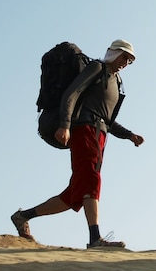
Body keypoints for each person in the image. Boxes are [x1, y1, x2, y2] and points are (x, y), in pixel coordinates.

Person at [11, 39, 144, 249]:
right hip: (84, 130)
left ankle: (22, 216)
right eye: (123, 56)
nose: (125, 62)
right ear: (113, 52)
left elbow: (107, 120)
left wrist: (130, 135)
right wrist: (64, 124)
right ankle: (95, 239)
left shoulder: (116, 82)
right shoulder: (97, 68)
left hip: (99, 135)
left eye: (129, 60)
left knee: (75, 194)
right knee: (91, 179)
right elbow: (70, 94)